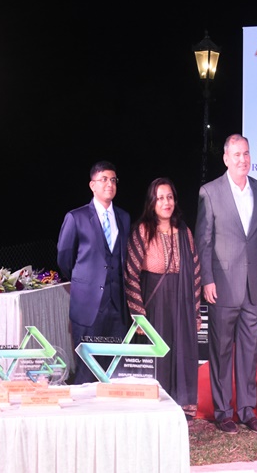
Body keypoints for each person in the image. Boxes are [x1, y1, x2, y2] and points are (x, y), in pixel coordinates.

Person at [195, 134, 257, 434]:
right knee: (221, 351)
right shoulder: (210, 192)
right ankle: (223, 411)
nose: (242, 159)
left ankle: (247, 410)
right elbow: (203, 240)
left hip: (253, 287)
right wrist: (207, 280)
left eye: (246, 153)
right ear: (226, 159)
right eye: (236, 154)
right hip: (222, 285)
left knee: (250, 352)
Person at [125, 178, 201, 416]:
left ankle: (182, 406)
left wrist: (195, 312)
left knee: (182, 352)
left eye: (169, 197)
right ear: (152, 202)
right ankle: (157, 406)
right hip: (154, 303)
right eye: (160, 198)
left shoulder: (185, 232)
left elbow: (196, 272)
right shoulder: (143, 231)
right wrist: (138, 314)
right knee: (159, 354)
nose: (166, 202)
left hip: (182, 302)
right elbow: (131, 273)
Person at [56, 161, 130, 384]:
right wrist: (86, 281)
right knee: (87, 370)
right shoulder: (76, 217)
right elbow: (64, 259)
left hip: (117, 307)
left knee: (115, 369)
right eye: (104, 179)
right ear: (92, 185)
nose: (109, 184)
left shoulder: (123, 217)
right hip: (88, 307)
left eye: (113, 180)